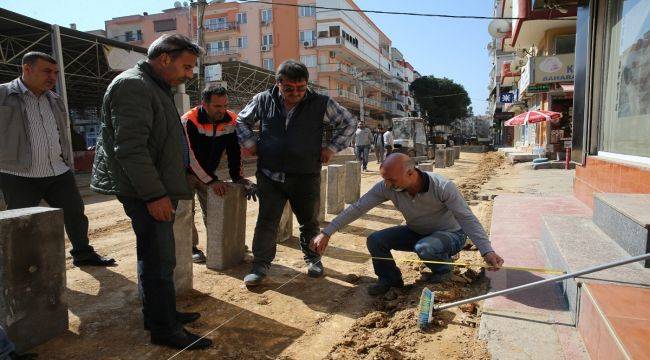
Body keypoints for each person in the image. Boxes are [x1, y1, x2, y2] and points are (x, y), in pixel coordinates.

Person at [90, 34, 211, 350]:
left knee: (158, 257)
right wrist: (155, 196)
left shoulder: (155, 86)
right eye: (186, 67)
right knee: (158, 260)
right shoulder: (133, 86)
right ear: (165, 58)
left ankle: (160, 314)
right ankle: (164, 329)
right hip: (146, 191)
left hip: (155, 187)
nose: (188, 74)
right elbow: (131, 149)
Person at [310, 153, 504, 296]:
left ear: (411, 173)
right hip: (416, 231)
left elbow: (466, 218)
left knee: (425, 247)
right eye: (384, 179)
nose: (387, 184)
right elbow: (358, 207)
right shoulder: (388, 186)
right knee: (376, 240)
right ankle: (390, 280)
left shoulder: (442, 187)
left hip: (450, 235)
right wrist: (327, 232)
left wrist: (486, 251)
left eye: (391, 179)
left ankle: (444, 271)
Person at [236, 59, 357, 286]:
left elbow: (349, 123)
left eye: (301, 88)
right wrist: (250, 142)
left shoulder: (320, 102)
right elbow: (241, 120)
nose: (296, 93)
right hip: (270, 175)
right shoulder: (263, 100)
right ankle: (260, 265)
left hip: (305, 174)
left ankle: (313, 259)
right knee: (266, 222)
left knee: (309, 222)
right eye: (289, 88)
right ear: (279, 84)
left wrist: (331, 148)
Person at [0, 52, 114, 267]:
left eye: (55, 72)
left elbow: (61, 132)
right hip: (18, 173)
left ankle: (83, 253)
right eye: (47, 71)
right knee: (21, 222)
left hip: (57, 169)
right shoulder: (3, 94)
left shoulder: (55, 99)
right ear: (27, 69)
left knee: (75, 214)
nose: (53, 77)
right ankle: (21, 265)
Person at [180, 85, 256, 263]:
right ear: (204, 104)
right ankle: (189, 247)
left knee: (215, 207)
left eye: (224, 105)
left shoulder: (230, 120)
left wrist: (238, 178)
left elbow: (235, 151)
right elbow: (190, 156)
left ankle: (220, 243)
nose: (222, 110)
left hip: (208, 171)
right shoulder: (189, 121)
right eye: (217, 106)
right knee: (185, 211)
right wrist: (212, 181)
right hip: (183, 171)